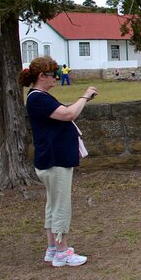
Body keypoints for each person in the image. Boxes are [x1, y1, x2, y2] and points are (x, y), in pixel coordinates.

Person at [18, 56, 98, 267]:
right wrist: (85, 96)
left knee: (52, 204)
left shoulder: (40, 97)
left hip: (51, 158)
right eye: (53, 75)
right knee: (61, 206)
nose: (57, 78)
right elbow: (69, 114)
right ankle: (62, 252)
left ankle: (52, 248)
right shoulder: (38, 98)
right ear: (42, 76)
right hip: (55, 160)